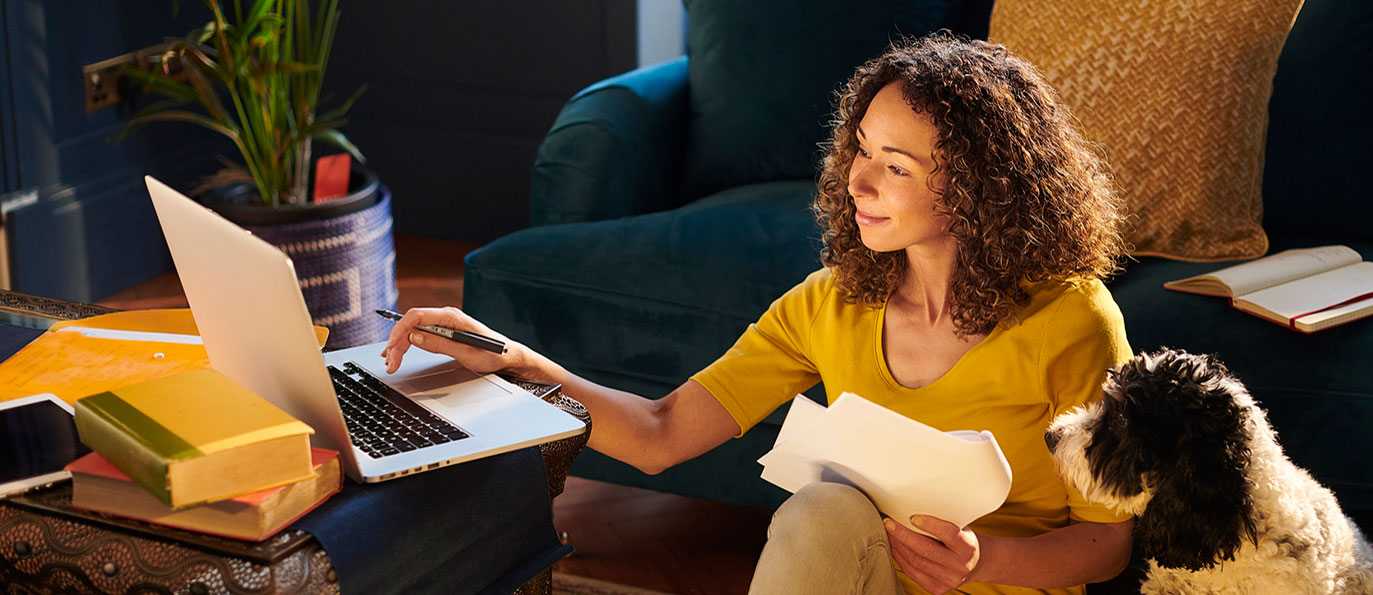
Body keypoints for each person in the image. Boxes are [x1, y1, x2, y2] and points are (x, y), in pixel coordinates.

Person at [382, 33, 1133, 595]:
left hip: (1003, 586)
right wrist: (512, 362)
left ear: (978, 187)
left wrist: (984, 558)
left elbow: (1107, 542)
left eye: (896, 167)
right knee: (823, 510)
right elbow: (659, 434)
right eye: (860, 150)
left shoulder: (1072, 322)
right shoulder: (830, 303)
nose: (858, 182)